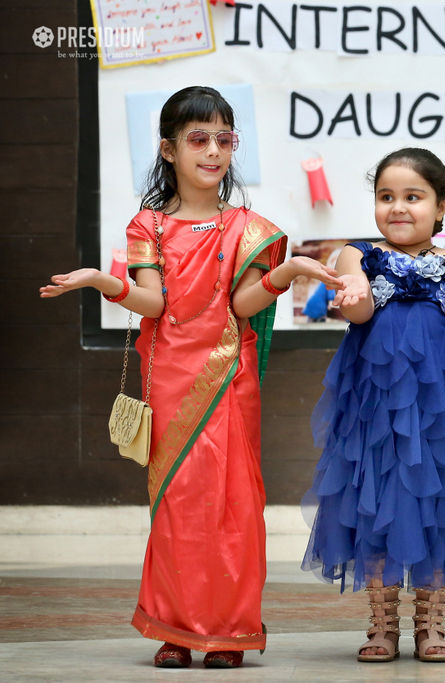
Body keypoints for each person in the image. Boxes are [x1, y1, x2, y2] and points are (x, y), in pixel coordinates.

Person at [40, 86, 345, 669]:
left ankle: (228, 631)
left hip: (229, 379)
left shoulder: (248, 229)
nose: (213, 151)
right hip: (173, 382)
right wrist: (99, 282)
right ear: (168, 149)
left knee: (233, 503)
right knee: (179, 506)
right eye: (198, 139)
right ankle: (176, 628)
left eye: (224, 139)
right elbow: (153, 304)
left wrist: (286, 270)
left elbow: (242, 302)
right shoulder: (148, 224)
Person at [300, 148, 445, 663]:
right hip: (375, 405)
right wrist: (350, 292)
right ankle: (382, 621)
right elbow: (362, 306)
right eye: (386, 197)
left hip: (441, 406)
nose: (398, 207)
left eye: (413, 197)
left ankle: (430, 621)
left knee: (441, 499)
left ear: (441, 207)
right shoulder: (358, 254)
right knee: (372, 498)